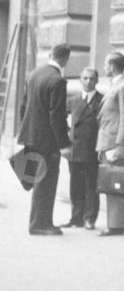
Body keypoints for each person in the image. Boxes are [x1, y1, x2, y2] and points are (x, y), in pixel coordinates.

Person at [17, 44, 72, 235]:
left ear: (50, 55)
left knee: (37, 180)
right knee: (46, 182)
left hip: (31, 136)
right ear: (65, 59)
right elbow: (56, 116)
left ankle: (39, 222)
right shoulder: (57, 81)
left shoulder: (33, 74)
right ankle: (40, 224)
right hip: (48, 141)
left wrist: (25, 132)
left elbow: (23, 107)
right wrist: (64, 145)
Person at [96, 52, 124, 236]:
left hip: (114, 141)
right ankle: (121, 222)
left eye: (106, 64)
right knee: (113, 180)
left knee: (114, 181)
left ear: (112, 66)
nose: (104, 68)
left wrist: (121, 144)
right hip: (107, 139)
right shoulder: (116, 84)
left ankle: (115, 225)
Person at [60, 67, 103, 230]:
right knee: (75, 184)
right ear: (80, 80)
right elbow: (61, 119)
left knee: (91, 185)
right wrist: (65, 139)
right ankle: (76, 217)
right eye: (85, 78)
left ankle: (89, 218)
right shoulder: (73, 100)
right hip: (75, 148)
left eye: (92, 78)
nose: (88, 81)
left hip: (92, 149)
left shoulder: (101, 100)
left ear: (97, 81)